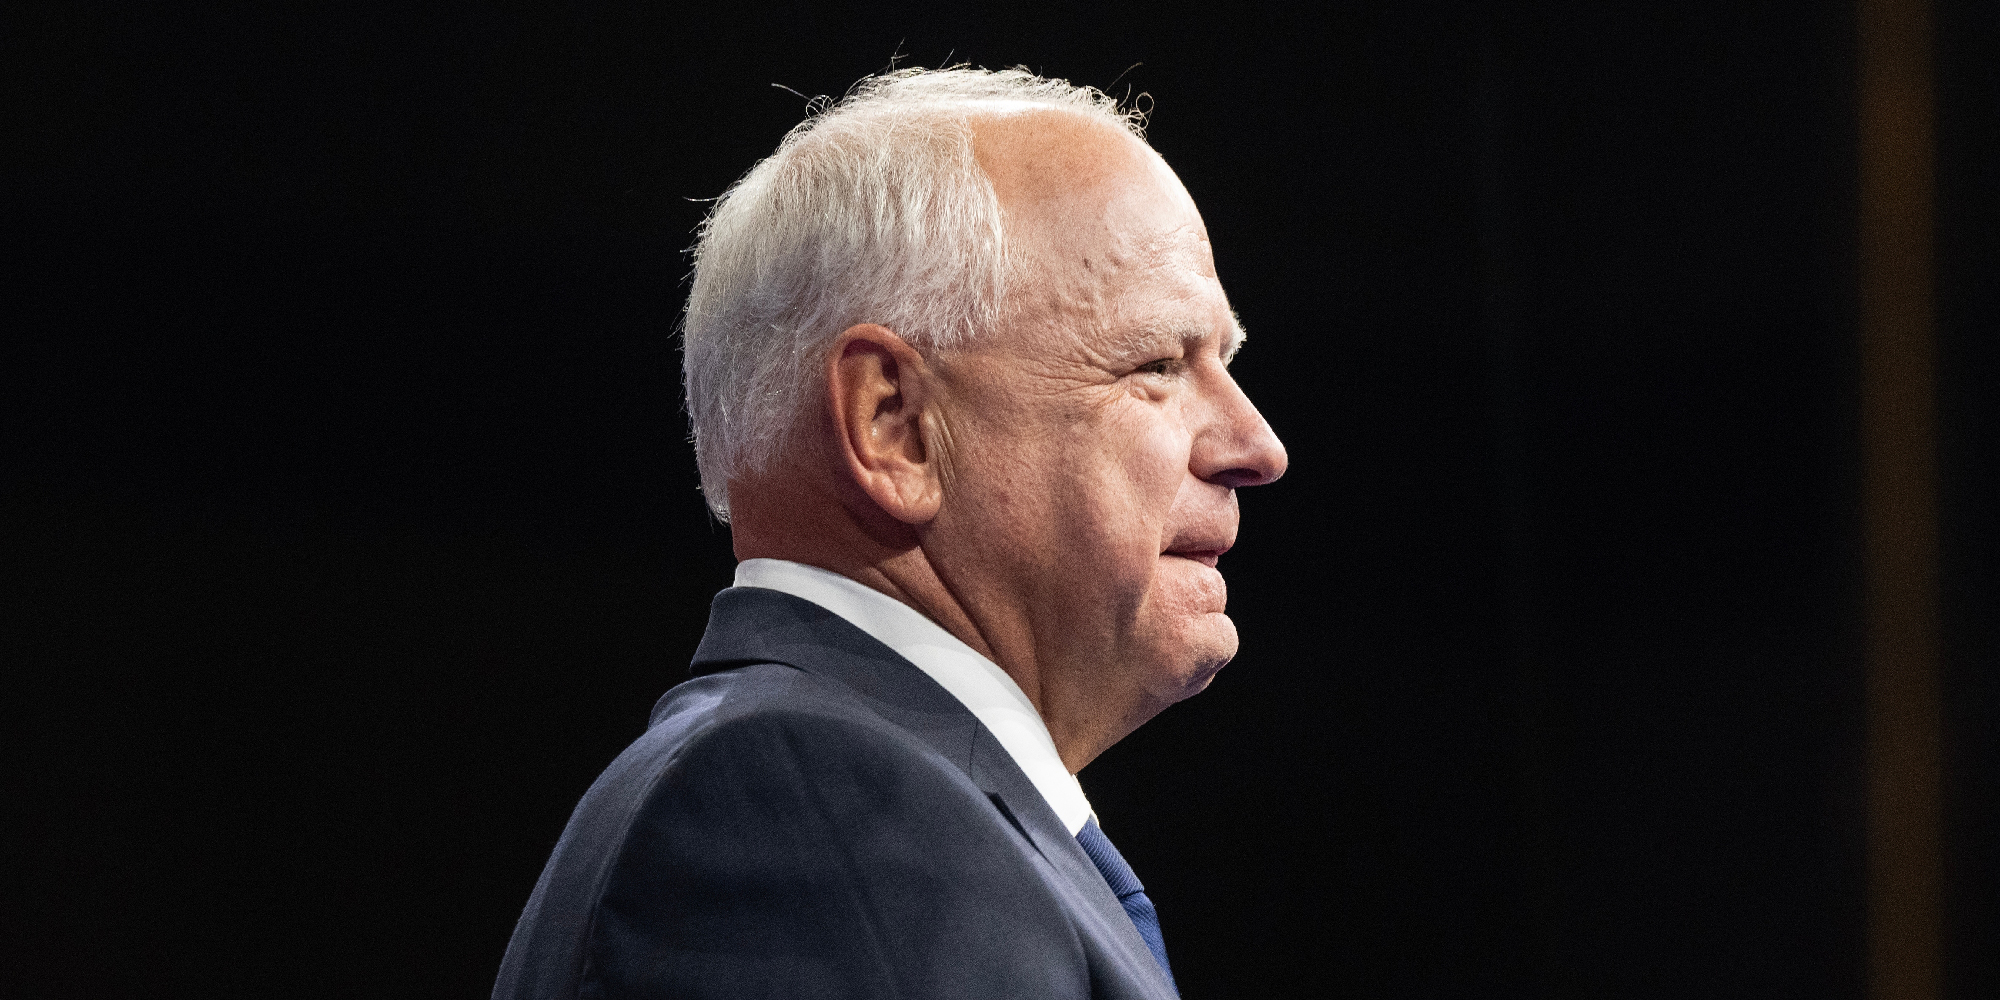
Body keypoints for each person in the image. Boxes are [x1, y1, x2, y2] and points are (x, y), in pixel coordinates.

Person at [493, 67, 1287, 1000]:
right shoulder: (808, 802)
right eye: (1156, 363)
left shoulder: (882, 804)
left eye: (1223, 362)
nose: (1256, 446)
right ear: (893, 425)